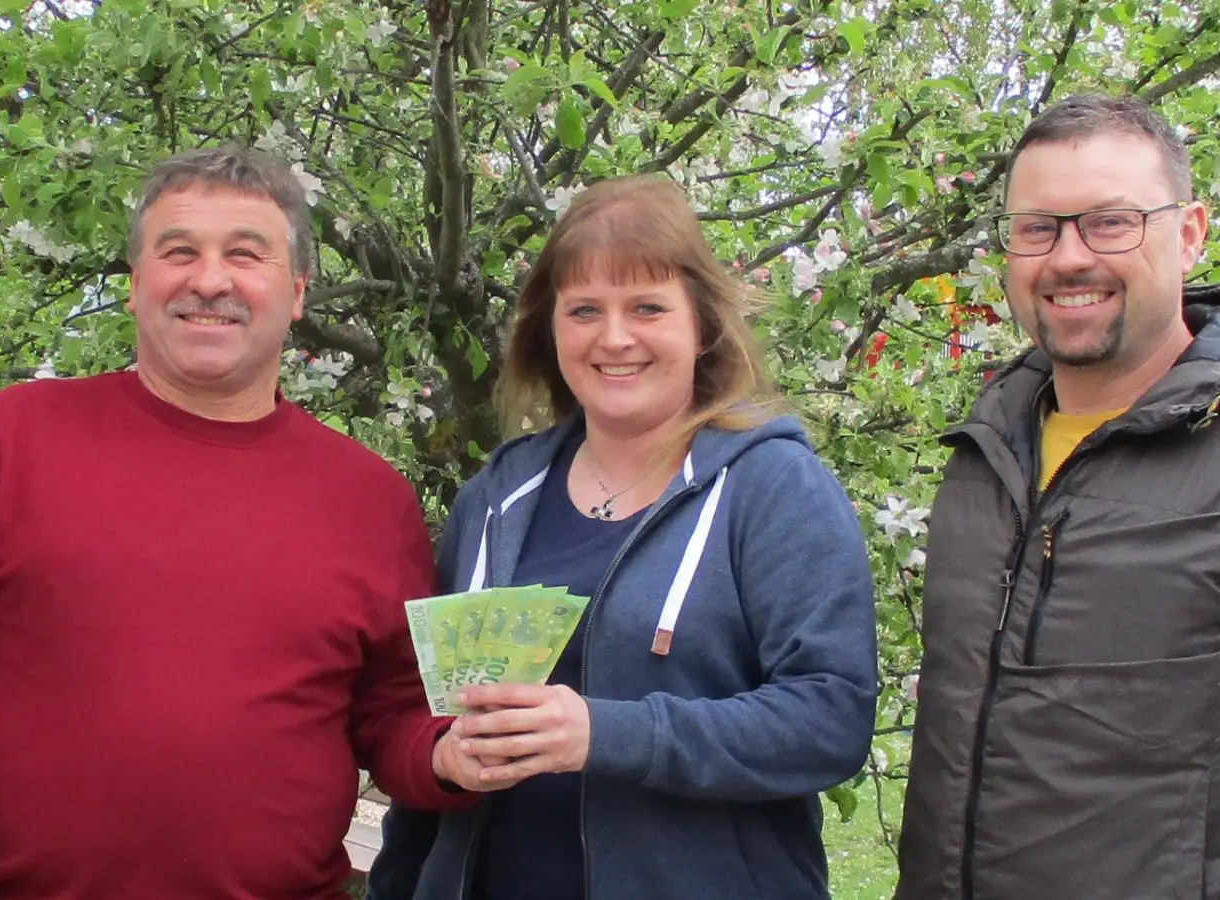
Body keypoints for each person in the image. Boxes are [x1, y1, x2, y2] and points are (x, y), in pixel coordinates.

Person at [0, 146, 482, 900]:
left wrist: (449, 756)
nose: (210, 279)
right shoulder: (7, 440)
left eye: (246, 254)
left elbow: (392, 716)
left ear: (297, 291)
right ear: (137, 286)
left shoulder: (371, 500)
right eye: (180, 252)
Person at [367, 174, 878, 900]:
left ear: (700, 324)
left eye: (647, 307)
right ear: (550, 328)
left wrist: (607, 735)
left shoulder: (772, 490)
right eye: (584, 310)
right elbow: (433, 722)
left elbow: (831, 717)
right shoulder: (495, 498)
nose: (614, 337)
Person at [895, 93, 1220, 900]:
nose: (1069, 257)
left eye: (1110, 222)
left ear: (1189, 234)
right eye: (1038, 228)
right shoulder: (985, 454)